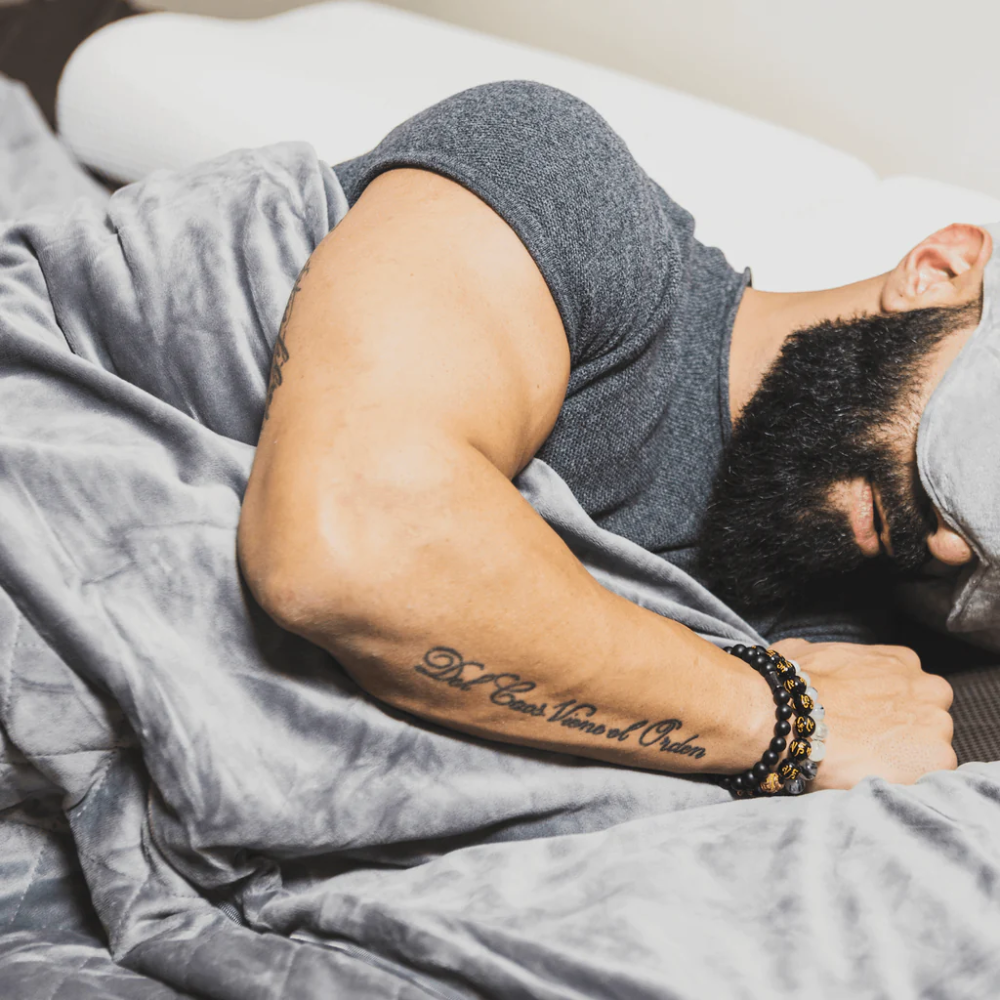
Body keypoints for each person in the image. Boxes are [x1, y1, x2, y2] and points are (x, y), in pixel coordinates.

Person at [237, 81, 969, 793]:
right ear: (938, 272)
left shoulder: (843, 625)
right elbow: (347, 541)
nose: (949, 546)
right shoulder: (570, 182)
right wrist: (784, 722)